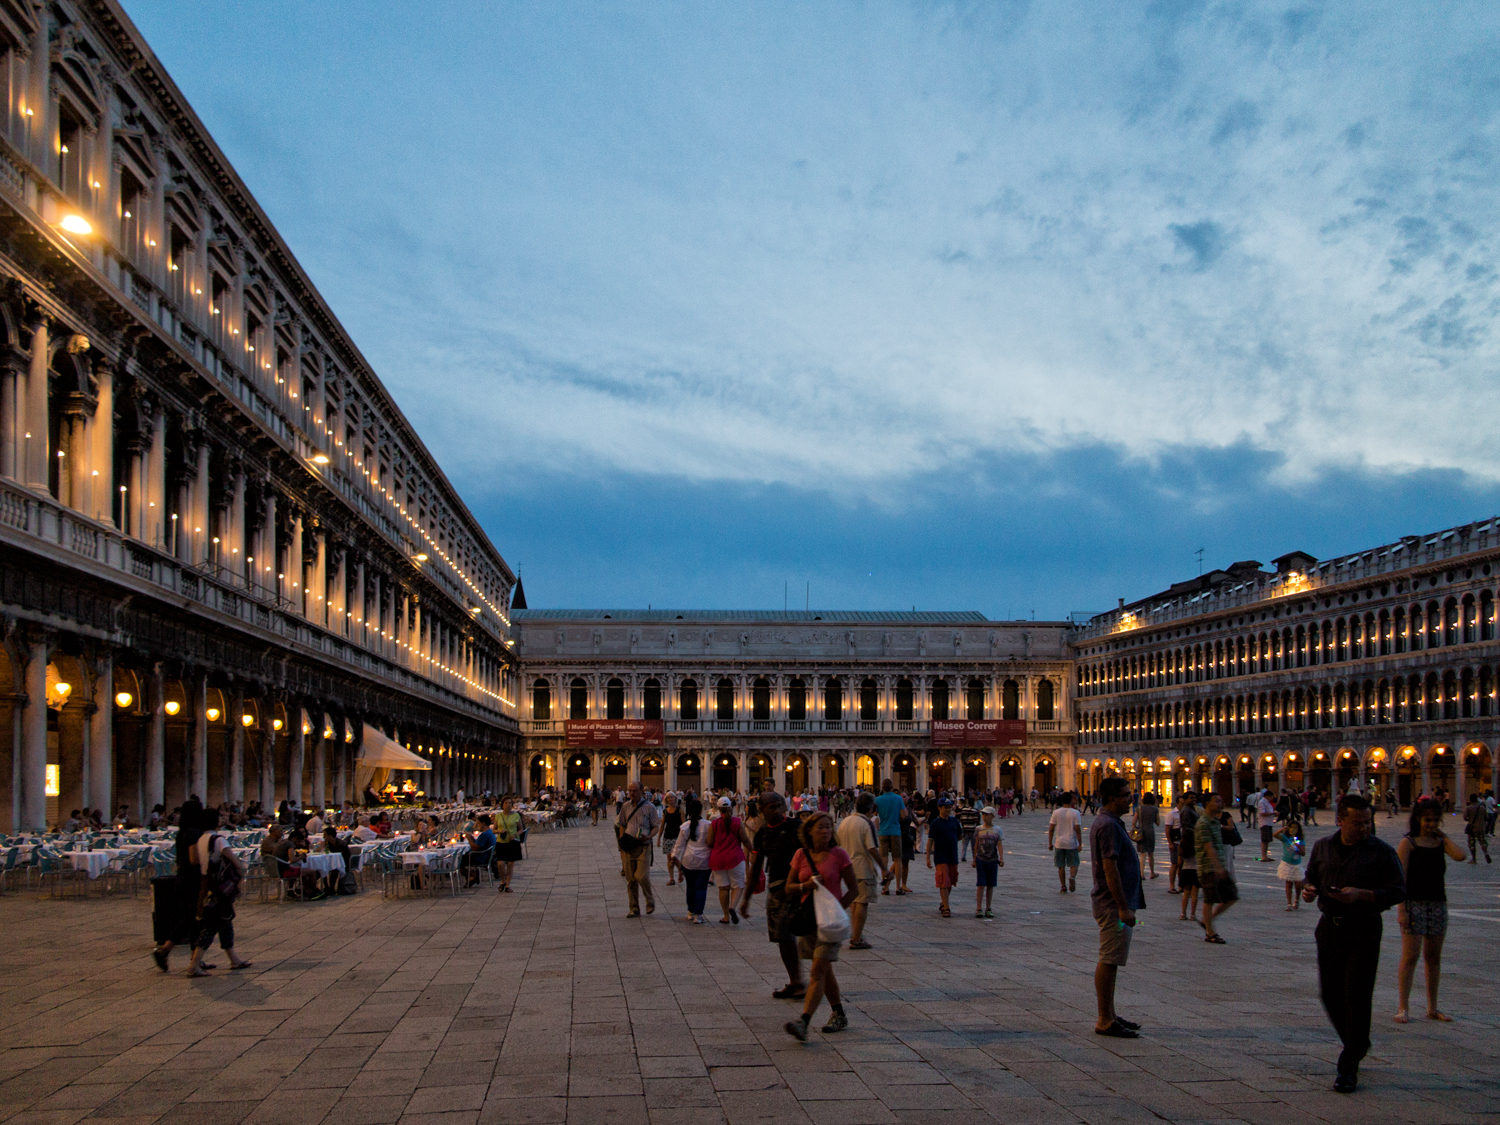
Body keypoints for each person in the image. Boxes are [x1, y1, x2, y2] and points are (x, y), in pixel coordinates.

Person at [1302, 793, 1407, 1093]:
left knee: (1357, 995)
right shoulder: (1323, 847)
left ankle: (1348, 1067)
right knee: (1330, 994)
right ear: (1340, 820)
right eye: (1356, 823)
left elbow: (1398, 891)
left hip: (1364, 928)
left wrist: (1361, 894)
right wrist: (1310, 890)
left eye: (1367, 822)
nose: (1363, 828)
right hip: (1329, 928)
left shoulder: (1381, 852)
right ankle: (1357, 1042)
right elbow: (1312, 878)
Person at [783, 811, 858, 1040]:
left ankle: (803, 1021)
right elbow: (788, 887)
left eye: (829, 827)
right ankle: (839, 1013)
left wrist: (837, 911)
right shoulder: (800, 855)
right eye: (821, 827)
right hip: (808, 920)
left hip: (830, 924)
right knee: (824, 969)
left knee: (817, 970)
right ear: (809, 831)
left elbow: (854, 889)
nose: (826, 831)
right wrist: (805, 886)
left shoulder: (839, 855)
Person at [1394, 797, 1466, 1024]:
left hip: (1437, 904)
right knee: (1410, 956)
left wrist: (1444, 837)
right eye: (1427, 820)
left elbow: (1460, 855)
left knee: (1433, 957)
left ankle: (1432, 1007)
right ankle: (1403, 1006)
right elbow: (1400, 878)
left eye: (1436, 820)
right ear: (1418, 819)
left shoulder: (1439, 843)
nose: (1431, 824)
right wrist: (1402, 910)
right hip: (1414, 903)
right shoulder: (1409, 843)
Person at [1090, 777, 1144, 1038]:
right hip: (1113, 905)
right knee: (1109, 960)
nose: (1129, 798)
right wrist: (1123, 907)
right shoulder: (1108, 825)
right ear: (1111, 798)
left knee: (1112, 959)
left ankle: (1110, 1013)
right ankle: (1104, 1018)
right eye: (1124, 795)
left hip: (1114, 903)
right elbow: (1110, 869)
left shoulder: (1110, 823)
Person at [743, 791, 806, 998]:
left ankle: (801, 981)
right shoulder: (763, 833)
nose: (777, 810)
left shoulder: (796, 827)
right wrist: (746, 899)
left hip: (799, 888)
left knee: (789, 936)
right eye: (772, 807)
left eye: (779, 805)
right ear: (762, 810)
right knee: (782, 937)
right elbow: (756, 866)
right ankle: (796, 980)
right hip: (777, 889)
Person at [186, 809, 252, 976]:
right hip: (219, 887)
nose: (222, 819)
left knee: (224, 921)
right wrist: (241, 870)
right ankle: (194, 965)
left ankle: (234, 959)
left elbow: (195, 860)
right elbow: (234, 861)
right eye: (220, 817)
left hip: (206, 883)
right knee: (211, 925)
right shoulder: (219, 840)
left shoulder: (201, 839)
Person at [834, 791, 887, 949]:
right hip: (863, 867)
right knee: (862, 902)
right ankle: (856, 939)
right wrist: (884, 868)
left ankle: (856, 934)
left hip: (848, 867)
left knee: (855, 901)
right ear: (871, 808)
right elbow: (872, 848)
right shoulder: (867, 823)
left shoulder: (845, 821)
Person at [615, 780, 660, 917]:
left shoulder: (649, 807)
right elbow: (621, 824)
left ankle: (650, 900)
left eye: (635, 791)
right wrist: (622, 843)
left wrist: (649, 837)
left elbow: (656, 826)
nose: (632, 793)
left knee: (641, 876)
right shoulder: (625, 806)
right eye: (630, 790)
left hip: (643, 846)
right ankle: (634, 908)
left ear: (641, 791)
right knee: (630, 879)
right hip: (629, 846)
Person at [1195, 793, 1235, 944]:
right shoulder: (1204, 823)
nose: (1220, 803)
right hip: (1208, 867)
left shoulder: (1214, 821)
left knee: (1231, 896)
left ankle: (1207, 921)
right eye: (1216, 801)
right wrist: (1218, 867)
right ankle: (1210, 932)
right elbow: (1208, 847)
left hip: (1218, 866)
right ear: (1207, 803)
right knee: (1209, 898)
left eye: (1220, 800)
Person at [706, 796, 752, 924]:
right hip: (735, 858)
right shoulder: (737, 822)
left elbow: (709, 841)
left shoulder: (714, 823)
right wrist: (753, 850)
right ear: (731, 809)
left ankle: (726, 916)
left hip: (718, 859)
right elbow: (745, 839)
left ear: (720, 810)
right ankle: (732, 907)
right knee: (737, 885)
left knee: (723, 888)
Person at [672, 798, 714, 923]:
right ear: (701, 810)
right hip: (704, 861)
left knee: (690, 887)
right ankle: (698, 914)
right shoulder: (708, 825)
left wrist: (674, 858)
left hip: (688, 860)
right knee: (701, 888)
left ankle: (690, 911)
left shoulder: (685, 826)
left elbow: (679, 845)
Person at [925, 797, 961, 917]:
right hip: (940, 855)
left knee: (950, 881)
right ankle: (946, 907)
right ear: (939, 808)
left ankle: (943, 902)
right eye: (946, 807)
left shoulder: (954, 821)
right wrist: (928, 857)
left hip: (952, 854)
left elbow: (960, 835)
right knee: (944, 882)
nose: (948, 809)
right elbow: (930, 841)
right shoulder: (935, 823)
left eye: (950, 807)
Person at [971, 806, 1004, 918]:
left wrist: (1001, 858)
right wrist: (974, 859)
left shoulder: (997, 830)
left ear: (992, 816)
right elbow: (976, 844)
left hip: (993, 860)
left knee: (990, 884)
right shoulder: (979, 829)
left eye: (987, 814)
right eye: (983, 814)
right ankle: (979, 907)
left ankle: (988, 907)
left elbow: (999, 844)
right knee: (981, 884)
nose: (984, 816)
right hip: (981, 859)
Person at [1047, 791, 1082, 893]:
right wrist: (1080, 843)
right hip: (1071, 842)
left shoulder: (1056, 812)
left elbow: (1051, 828)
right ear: (1071, 800)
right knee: (1074, 863)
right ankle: (1072, 877)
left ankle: (1063, 886)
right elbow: (1077, 829)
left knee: (1061, 865)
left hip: (1059, 842)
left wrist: (1050, 842)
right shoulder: (1075, 813)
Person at [873, 780, 904, 895]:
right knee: (897, 859)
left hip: (883, 831)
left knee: (884, 859)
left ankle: (885, 887)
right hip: (895, 831)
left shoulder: (878, 799)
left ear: (882, 787)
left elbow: (874, 814)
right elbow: (904, 814)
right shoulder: (898, 798)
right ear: (892, 787)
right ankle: (898, 887)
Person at [1178, 794, 1200, 923]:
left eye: (1195, 798)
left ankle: (1183, 913)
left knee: (1186, 892)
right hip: (1195, 869)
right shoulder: (1186, 810)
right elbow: (1187, 827)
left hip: (1186, 869)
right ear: (1185, 800)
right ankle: (1192, 914)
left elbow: (1180, 859)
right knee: (1194, 893)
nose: (1194, 800)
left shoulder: (1184, 847)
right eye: (1191, 798)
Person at [1274, 819, 1306, 910]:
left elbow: (1303, 853)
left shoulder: (1299, 840)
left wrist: (1297, 844)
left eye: (1295, 828)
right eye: (1291, 828)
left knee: (1298, 883)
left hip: (1296, 864)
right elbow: (1275, 835)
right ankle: (1289, 903)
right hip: (1287, 863)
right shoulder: (1285, 838)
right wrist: (1281, 830)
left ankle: (1297, 899)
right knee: (1288, 883)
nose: (1293, 830)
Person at [494, 798, 523, 891]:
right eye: (506, 803)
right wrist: (499, 831)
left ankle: (507, 885)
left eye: (510, 803)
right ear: (502, 805)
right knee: (500, 863)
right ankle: (502, 881)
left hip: (512, 842)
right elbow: (493, 829)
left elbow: (521, 829)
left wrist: (515, 835)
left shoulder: (516, 816)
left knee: (510, 864)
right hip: (501, 842)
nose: (508, 805)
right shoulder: (498, 816)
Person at [461, 814, 496, 888]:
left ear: (483, 823)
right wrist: (471, 837)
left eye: (478, 823)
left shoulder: (485, 834)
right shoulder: (490, 832)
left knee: (457, 862)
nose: (477, 825)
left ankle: (472, 875)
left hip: (479, 857)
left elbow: (474, 848)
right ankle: (472, 875)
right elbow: (478, 844)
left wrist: (469, 838)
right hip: (484, 856)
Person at [1131, 793, 1159, 880]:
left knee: (1143, 854)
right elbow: (1158, 823)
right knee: (1151, 853)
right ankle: (1152, 872)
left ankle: (1142, 874)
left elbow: (1134, 822)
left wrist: (1136, 830)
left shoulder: (1139, 808)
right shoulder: (1155, 809)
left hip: (1141, 832)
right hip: (1150, 831)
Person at [658, 792, 684, 885]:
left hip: (677, 836)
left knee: (674, 857)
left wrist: (684, 837)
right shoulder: (665, 811)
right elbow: (662, 825)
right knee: (669, 858)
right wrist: (659, 838)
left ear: (675, 798)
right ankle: (671, 878)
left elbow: (683, 824)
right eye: (668, 797)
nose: (670, 799)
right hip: (667, 836)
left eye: (672, 797)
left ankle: (681, 870)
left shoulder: (680, 810)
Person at [321, 827, 353, 894]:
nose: (323, 837)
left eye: (325, 835)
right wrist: (323, 845)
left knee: (334, 869)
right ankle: (327, 887)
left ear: (330, 836)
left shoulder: (341, 844)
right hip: (333, 862)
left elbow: (340, 856)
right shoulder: (328, 844)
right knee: (322, 868)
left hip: (343, 863)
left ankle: (331, 887)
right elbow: (318, 851)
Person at [1464, 793, 1491, 863]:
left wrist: (1470, 820)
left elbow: (1465, 817)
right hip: (1481, 828)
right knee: (1482, 841)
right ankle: (1485, 853)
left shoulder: (1469, 808)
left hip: (1472, 828)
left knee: (1472, 843)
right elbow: (1486, 817)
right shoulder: (1482, 808)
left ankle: (1474, 858)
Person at [1257, 790, 1277, 860]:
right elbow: (1262, 813)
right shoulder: (1262, 802)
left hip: (1268, 823)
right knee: (1264, 840)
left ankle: (1265, 855)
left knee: (1267, 840)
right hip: (1264, 823)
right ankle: (1263, 856)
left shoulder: (1267, 802)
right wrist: (1273, 814)